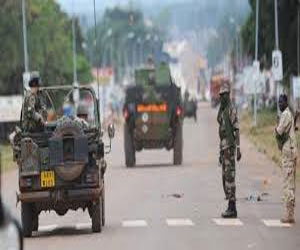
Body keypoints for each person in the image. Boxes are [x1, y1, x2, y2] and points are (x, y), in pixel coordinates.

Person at [217, 81, 242, 218]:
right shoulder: (222, 110)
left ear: (228, 95)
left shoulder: (231, 110)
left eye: (224, 95)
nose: (222, 97)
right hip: (223, 148)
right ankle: (230, 204)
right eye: (220, 95)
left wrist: (238, 148)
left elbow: (236, 129)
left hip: (230, 148)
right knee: (224, 178)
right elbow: (221, 133)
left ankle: (232, 208)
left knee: (230, 178)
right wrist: (220, 152)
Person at [275, 94, 297, 224]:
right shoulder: (287, 114)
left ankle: (289, 214)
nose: (279, 104)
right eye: (278, 102)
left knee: (288, 184)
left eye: (281, 102)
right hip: (289, 152)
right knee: (290, 183)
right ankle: (290, 213)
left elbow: (279, 131)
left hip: (288, 154)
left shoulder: (286, 115)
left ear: (286, 102)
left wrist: (275, 128)